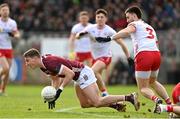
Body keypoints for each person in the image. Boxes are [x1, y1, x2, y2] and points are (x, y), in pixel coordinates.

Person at [23, 48, 140, 111]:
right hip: (77, 78)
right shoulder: (43, 66)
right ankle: (114, 105)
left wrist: (59, 91)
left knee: (97, 102)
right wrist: (53, 94)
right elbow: (55, 79)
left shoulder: (49, 62)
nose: (27, 64)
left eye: (28, 60)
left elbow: (69, 73)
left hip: (83, 73)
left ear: (36, 58)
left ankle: (129, 97)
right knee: (84, 105)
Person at [111, 6, 171, 105]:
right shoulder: (149, 26)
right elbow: (156, 43)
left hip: (144, 55)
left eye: (128, 17)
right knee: (153, 81)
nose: (127, 20)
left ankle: (157, 100)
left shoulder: (134, 24)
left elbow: (126, 31)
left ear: (134, 16)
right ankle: (169, 103)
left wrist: (111, 37)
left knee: (143, 88)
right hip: (156, 55)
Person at [76, 9, 133, 97]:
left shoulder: (110, 31)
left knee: (92, 71)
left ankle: (103, 93)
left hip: (106, 56)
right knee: (96, 75)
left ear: (106, 19)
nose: (100, 19)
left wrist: (128, 57)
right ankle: (103, 94)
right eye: (98, 17)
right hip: (95, 57)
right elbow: (78, 36)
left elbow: (122, 44)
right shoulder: (90, 28)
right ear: (95, 18)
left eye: (102, 17)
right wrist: (80, 35)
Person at [0, 3, 20, 95]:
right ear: (0, 12)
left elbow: (17, 34)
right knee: (6, 68)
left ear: (9, 11)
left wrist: (13, 35)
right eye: (3, 10)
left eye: (7, 10)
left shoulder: (12, 23)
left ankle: (2, 90)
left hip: (8, 48)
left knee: (7, 72)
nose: (5, 12)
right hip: (0, 48)